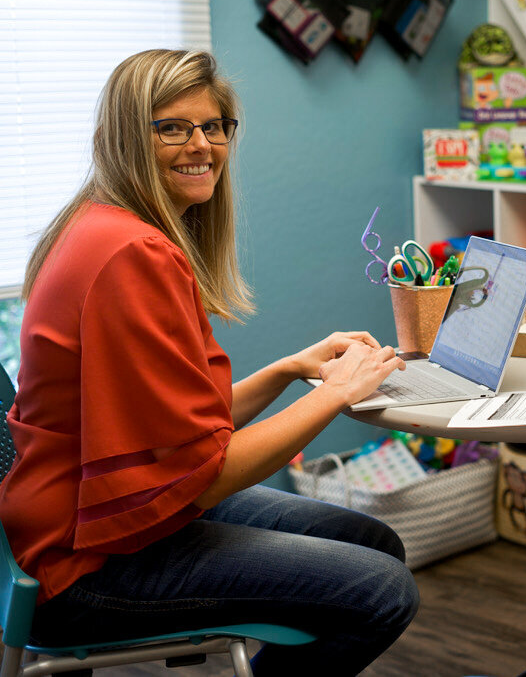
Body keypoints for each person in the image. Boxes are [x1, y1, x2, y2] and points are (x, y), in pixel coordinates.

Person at [0, 49, 418, 675]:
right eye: (172, 127)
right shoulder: (131, 255)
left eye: (214, 126)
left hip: (92, 515)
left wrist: (286, 371)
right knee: (381, 589)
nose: (202, 145)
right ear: (125, 138)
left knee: (372, 539)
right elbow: (203, 474)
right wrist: (331, 396)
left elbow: (171, 434)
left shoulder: (97, 225)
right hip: (84, 564)